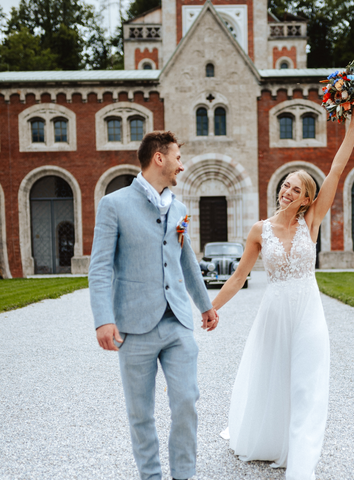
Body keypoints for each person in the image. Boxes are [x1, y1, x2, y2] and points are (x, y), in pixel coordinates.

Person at [213, 106, 354, 480]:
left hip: (308, 308)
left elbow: (336, 171)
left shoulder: (310, 222)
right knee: (275, 377)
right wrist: (209, 308)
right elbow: (236, 278)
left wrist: (352, 128)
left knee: (307, 380)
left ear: (306, 199)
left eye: (296, 189)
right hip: (275, 311)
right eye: (286, 185)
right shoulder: (258, 231)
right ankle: (272, 438)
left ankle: (301, 459)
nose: (287, 191)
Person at [88, 131, 218, 480]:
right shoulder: (114, 204)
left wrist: (204, 304)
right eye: (178, 157)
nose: (182, 164)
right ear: (158, 158)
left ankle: (183, 475)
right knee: (141, 413)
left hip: (177, 321)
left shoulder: (179, 207)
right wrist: (103, 318)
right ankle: (151, 476)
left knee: (187, 401)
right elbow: (99, 266)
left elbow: (185, 257)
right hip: (133, 324)